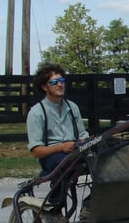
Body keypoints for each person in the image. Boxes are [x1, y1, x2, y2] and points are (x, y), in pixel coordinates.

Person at [26, 63, 90, 211]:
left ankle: (90, 207)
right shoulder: (37, 113)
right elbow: (36, 150)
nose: (59, 85)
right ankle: (56, 208)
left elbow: (82, 135)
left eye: (62, 81)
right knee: (63, 163)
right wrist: (60, 147)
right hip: (52, 157)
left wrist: (86, 141)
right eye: (54, 82)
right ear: (44, 87)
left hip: (75, 152)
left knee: (103, 161)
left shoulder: (72, 108)